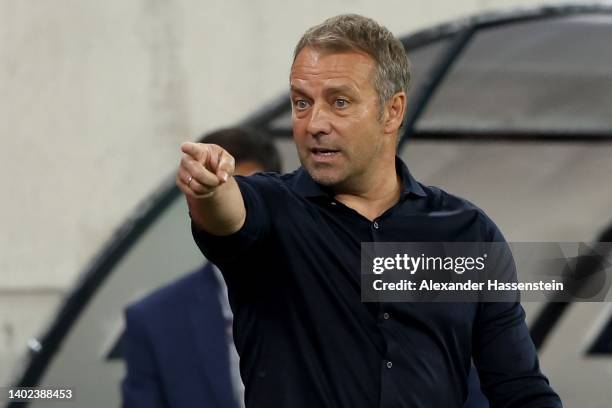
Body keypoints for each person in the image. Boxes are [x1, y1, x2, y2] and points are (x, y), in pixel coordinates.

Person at [176, 14, 562, 408]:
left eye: (339, 102)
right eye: (301, 103)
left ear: (392, 111)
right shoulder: (271, 210)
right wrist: (210, 188)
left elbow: (519, 388)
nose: (315, 124)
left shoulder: (466, 232)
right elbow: (227, 214)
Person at [121, 127, 281, 408]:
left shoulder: (326, 288)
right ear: (194, 203)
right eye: (219, 191)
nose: (234, 208)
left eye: (248, 195)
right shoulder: (151, 321)